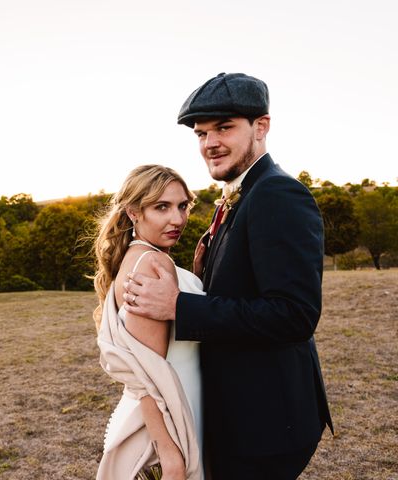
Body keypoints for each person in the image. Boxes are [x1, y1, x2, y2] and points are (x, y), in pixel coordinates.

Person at [123, 72, 333, 479]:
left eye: (223, 128)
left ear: (261, 127)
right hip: (241, 414)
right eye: (201, 133)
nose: (209, 143)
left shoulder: (277, 193)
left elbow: (294, 314)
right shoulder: (239, 195)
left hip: (267, 423)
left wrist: (179, 306)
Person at [93, 165, 204, 480]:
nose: (177, 219)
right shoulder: (154, 264)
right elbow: (147, 378)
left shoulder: (135, 256)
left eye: (183, 206)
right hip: (158, 431)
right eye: (162, 207)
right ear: (133, 212)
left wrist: (195, 277)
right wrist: (170, 457)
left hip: (155, 419)